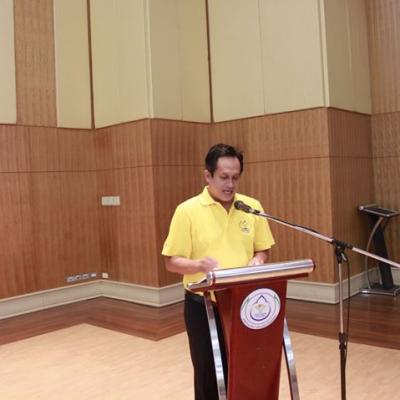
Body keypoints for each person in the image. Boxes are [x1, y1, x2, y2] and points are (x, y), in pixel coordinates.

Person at [161, 143, 275, 400]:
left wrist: (258, 260)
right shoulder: (187, 210)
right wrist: (199, 266)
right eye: (224, 177)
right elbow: (171, 261)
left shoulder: (251, 206)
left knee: (245, 370)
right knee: (209, 375)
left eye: (235, 177)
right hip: (203, 306)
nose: (230, 184)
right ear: (208, 175)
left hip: (243, 304)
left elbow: (263, 249)